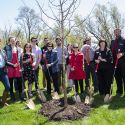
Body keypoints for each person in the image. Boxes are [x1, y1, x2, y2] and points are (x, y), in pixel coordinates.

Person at [4, 37, 23, 101]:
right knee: (10, 81)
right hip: (10, 67)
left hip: (17, 66)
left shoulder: (18, 49)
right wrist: (12, 65)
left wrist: (21, 67)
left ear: (15, 41)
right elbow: (5, 60)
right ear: (9, 41)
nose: (12, 42)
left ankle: (21, 95)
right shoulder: (6, 48)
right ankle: (12, 95)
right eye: (11, 41)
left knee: (19, 81)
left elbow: (20, 59)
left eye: (14, 41)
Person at [0, 38, 17, 106]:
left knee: (8, 87)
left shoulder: (3, 51)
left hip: (3, 71)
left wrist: (13, 65)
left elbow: (6, 61)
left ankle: (3, 102)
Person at [110, 28, 125, 96]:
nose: (116, 33)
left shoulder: (123, 40)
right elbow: (110, 51)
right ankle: (119, 91)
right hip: (115, 63)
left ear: (120, 32)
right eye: (115, 32)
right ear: (114, 33)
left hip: (123, 62)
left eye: (118, 32)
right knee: (117, 77)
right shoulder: (112, 41)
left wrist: (122, 54)